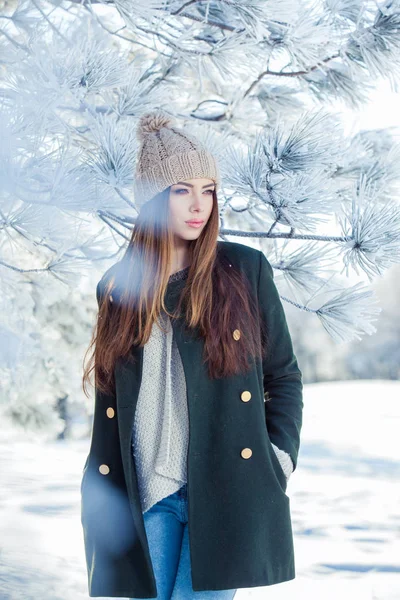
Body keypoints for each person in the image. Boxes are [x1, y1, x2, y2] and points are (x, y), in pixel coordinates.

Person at [81, 109, 303, 600]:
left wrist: (278, 457)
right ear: (155, 200)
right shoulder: (118, 287)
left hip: (224, 486)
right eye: (182, 190)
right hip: (147, 493)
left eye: (208, 189)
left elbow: (283, 376)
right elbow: (108, 398)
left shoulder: (245, 271)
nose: (199, 204)